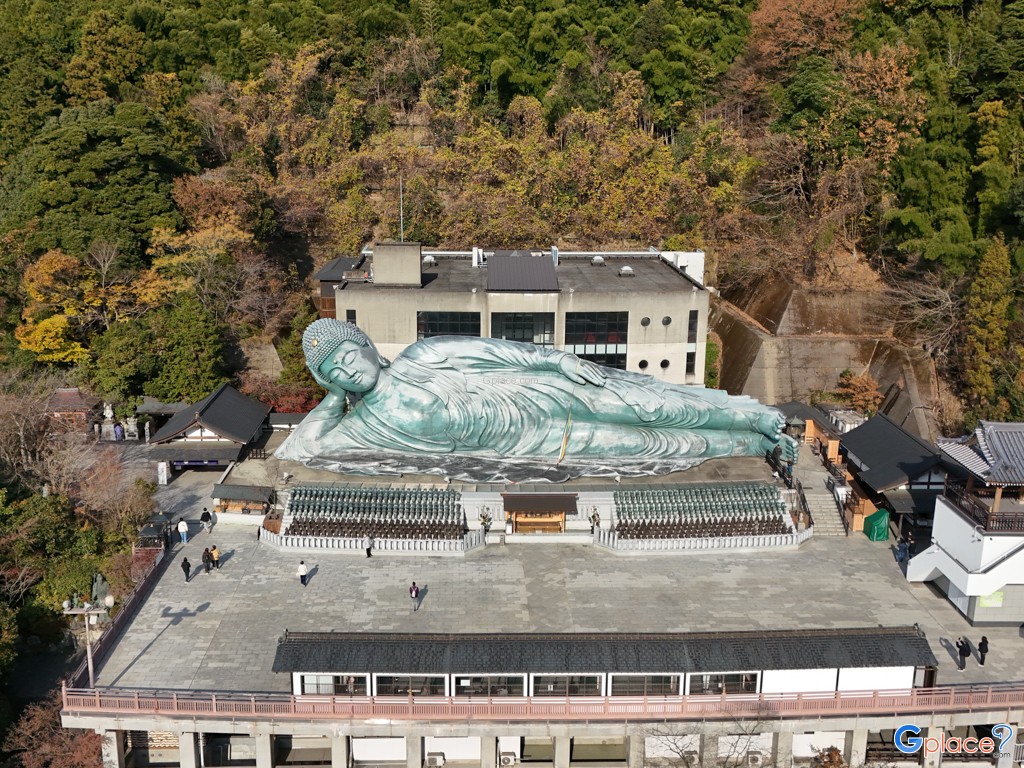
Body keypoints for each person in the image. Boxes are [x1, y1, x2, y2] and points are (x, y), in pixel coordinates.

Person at [275, 320, 799, 476]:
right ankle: (753, 443)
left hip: (541, 391)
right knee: (655, 445)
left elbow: (499, 352)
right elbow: (302, 449)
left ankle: (757, 415)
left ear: (367, 344)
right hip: (544, 441)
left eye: (348, 355)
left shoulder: (422, 356)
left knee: (652, 404)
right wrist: (330, 399)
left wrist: (557, 360)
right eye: (334, 372)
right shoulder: (364, 424)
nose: (349, 370)